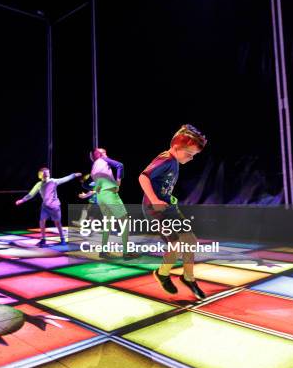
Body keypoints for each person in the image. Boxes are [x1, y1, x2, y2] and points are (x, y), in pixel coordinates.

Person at [139, 124, 208, 299]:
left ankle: (188, 277)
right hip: (155, 210)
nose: (191, 158)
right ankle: (162, 273)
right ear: (177, 148)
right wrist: (155, 200)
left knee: (190, 240)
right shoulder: (167, 159)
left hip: (169, 207)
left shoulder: (174, 160)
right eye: (190, 154)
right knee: (175, 244)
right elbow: (143, 177)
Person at [81, 148, 132, 258]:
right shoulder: (104, 159)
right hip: (110, 194)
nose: (106, 154)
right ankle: (126, 252)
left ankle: (103, 251)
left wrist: (96, 187)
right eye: (104, 152)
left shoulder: (94, 167)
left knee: (108, 223)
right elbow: (120, 165)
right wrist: (118, 181)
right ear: (99, 154)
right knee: (124, 220)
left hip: (100, 197)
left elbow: (85, 184)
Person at [16, 168, 81, 246]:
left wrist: (74, 175)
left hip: (55, 206)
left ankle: (62, 239)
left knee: (57, 223)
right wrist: (22, 200)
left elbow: (65, 179)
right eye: (45, 173)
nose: (47, 174)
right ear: (41, 175)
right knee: (42, 221)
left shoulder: (53, 181)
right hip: (45, 207)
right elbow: (31, 194)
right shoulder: (39, 184)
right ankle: (43, 239)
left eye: (48, 173)